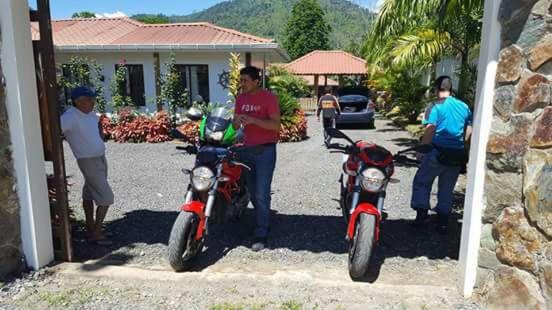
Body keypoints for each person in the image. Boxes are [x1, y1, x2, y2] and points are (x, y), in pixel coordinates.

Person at [411, 76, 473, 232]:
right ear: (451, 90)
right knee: (447, 188)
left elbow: (430, 128)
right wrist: (462, 146)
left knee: (422, 182)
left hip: (436, 152)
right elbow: (468, 132)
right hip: (456, 155)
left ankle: (421, 216)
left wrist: (422, 149)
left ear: (437, 89)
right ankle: (443, 221)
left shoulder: (435, 106)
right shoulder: (464, 107)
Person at [233, 66, 281, 251]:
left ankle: (262, 230)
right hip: (246, 149)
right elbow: (235, 123)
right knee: (252, 191)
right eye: (241, 80)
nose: (242, 84)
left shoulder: (269, 98)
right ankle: (261, 218)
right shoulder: (240, 98)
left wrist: (254, 121)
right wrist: (236, 122)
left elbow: (276, 126)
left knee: (262, 192)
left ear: (256, 81)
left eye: (245, 80)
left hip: (265, 151)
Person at [61, 86, 114, 245]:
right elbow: (54, 130)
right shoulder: (69, 117)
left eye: (93, 99)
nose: (92, 102)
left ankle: (91, 227)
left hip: (99, 158)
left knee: (89, 193)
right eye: (88, 99)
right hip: (87, 159)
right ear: (78, 101)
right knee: (106, 198)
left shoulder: (90, 115)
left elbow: (97, 124)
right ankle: (96, 234)